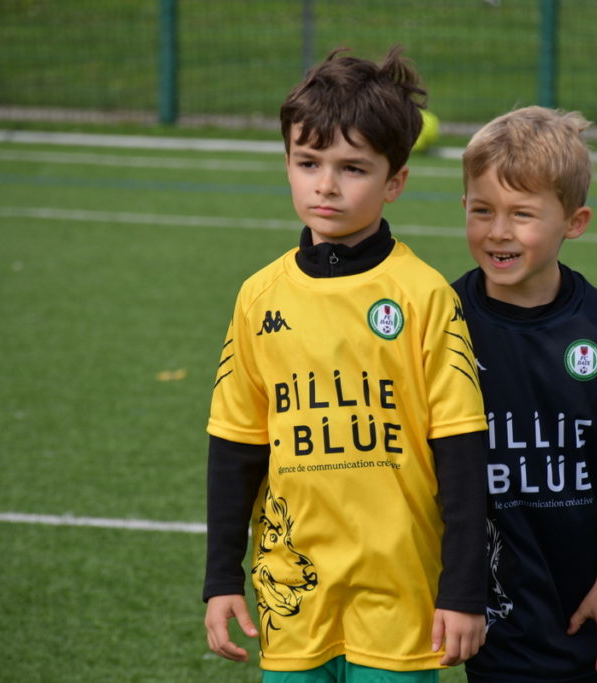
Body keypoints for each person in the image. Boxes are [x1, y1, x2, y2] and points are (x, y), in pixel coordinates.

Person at [201, 46, 490, 682]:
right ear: (287, 163)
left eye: (352, 168)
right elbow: (236, 446)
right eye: (308, 162)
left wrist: (464, 589)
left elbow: (463, 454)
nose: (326, 185)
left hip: (400, 591)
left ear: (395, 182)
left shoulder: (423, 295)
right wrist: (221, 577)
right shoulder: (259, 297)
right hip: (292, 590)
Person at [453, 105, 597, 683]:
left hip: (586, 603)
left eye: (522, 214)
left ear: (575, 221)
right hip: (489, 608)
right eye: (482, 210)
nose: (498, 231)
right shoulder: (444, 321)